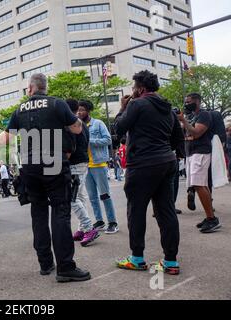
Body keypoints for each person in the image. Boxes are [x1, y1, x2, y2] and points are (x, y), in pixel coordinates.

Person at [0, 73, 91, 283]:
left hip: (30, 167)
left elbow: (6, 138)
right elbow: (77, 129)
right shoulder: (57, 104)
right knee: (61, 213)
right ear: (45, 88)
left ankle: (45, 263)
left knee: (38, 214)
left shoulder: (20, 109)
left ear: (30, 89)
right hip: (54, 164)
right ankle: (65, 267)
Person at [114, 70, 185, 275]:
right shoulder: (168, 108)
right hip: (166, 162)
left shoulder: (137, 104)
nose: (133, 91)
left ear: (141, 89)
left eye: (134, 87)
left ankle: (137, 258)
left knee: (136, 211)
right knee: (166, 211)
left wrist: (123, 108)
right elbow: (177, 138)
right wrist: (172, 154)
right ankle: (170, 261)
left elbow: (119, 127)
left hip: (143, 165)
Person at [178, 93, 221, 233]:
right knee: (200, 185)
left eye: (188, 101)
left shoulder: (204, 115)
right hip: (191, 153)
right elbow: (185, 134)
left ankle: (211, 218)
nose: (186, 103)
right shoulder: (191, 116)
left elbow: (196, 133)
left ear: (197, 101)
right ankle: (210, 217)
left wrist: (183, 121)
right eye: (185, 101)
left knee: (199, 184)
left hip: (201, 152)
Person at [79, 100, 119, 234]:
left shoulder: (98, 123)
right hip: (85, 165)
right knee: (92, 197)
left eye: (82, 110)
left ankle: (112, 222)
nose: (79, 112)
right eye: (78, 110)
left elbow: (108, 140)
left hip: (99, 164)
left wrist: (89, 141)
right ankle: (99, 221)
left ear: (88, 110)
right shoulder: (78, 126)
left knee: (104, 195)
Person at [65, 98, 99, 247]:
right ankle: (82, 228)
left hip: (75, 164)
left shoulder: (71, 124)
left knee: (72, 198)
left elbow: (69, 148)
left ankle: (89, 228)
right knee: (79, 196)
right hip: (83, 163)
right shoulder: (81, 123)